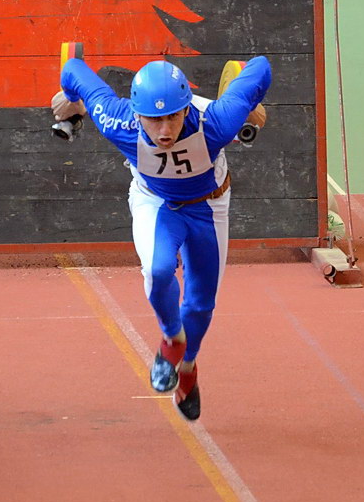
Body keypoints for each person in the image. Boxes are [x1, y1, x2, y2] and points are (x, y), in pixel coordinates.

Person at [51, 57, 271, 420]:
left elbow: (260, 67)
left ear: (186, 109)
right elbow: (72, 67)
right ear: (136, 115)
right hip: (156, 204)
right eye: (153, 120)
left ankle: (188, 368)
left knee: (201, 302)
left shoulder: (218, 122)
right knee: (157, 270)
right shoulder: (116, 120)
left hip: (209, 207)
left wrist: (250, 101)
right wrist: (70, 97)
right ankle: (172, 340)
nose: (164, 130)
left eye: (172, 117)